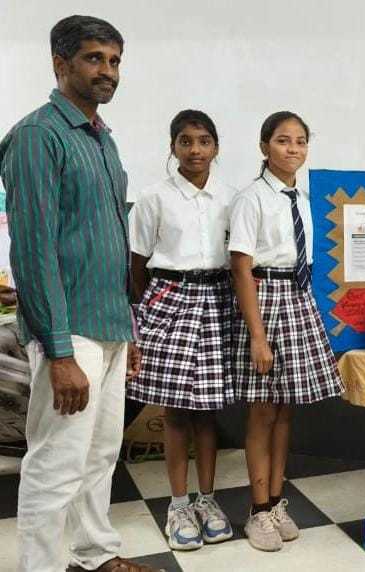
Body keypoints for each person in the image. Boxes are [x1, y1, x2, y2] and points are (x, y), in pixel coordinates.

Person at [0, 15, 154, 572]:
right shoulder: (38, 136)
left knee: (100, 454)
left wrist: (127, 330)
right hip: (69, 334)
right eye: (94, 58)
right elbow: (34, 251)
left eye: (114, 61)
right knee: (55, 462)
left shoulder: (102, 139)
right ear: (60, 63)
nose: (107, 71)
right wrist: (60, 352)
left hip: (108, 325)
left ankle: (94, 555)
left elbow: (110, 243)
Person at [229, 111, 344, 551]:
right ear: (264, 147)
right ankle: (257, 510)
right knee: (262, 411)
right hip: (266, 301)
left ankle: (277, 501)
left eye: (300, 141)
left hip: (298, 300)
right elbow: (241, 266)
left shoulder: (305, 199)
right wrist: (257, 336)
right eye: (282, 140)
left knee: (285, 410)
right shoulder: (252, 198)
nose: (293, 148)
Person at [127, 110, 236, 551]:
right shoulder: (153, 197)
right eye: (185, 141)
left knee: (207, 411)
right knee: (174, 411)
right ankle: (178, 505)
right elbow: (137, 264)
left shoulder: (231, 198)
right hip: (169, 299)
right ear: (172, 146)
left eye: (204, 141)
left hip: (217, 300)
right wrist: (149, 311)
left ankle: (207, 500)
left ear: (216, 147)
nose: (195, 150)